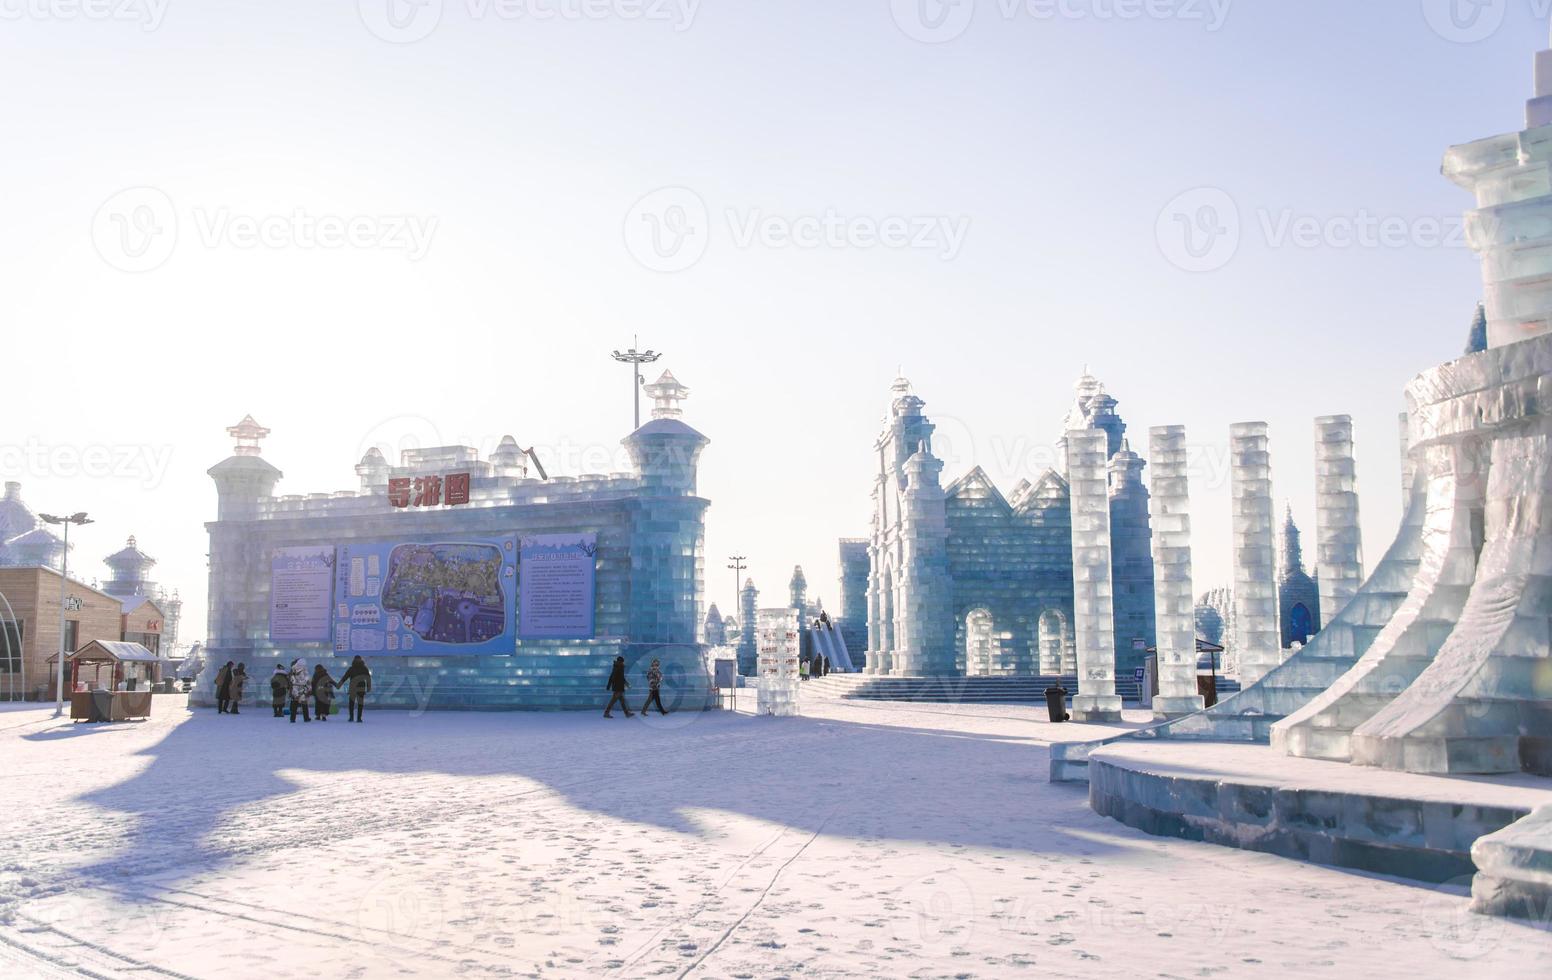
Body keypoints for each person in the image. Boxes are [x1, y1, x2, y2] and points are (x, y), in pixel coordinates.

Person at [340, 656, 371, 723]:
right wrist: (368, 687)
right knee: (360, 703)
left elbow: (345, 677)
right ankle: (359, 718)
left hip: (353, 687)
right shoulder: (364, 668)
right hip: (361, 688)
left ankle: (351, 717)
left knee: (351, 703)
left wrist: (339, 684)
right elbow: (368, 678)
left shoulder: (351, 668)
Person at [287, 658, 312, 723]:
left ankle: (292, 719)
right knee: (304, 704)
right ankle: (306, 718)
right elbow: (307, 680)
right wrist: (309, 688)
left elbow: (290, 680)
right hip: (302, 689)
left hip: (294, 688)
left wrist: (290, 689)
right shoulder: (304, 670)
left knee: (294, 704)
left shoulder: (292, 670)